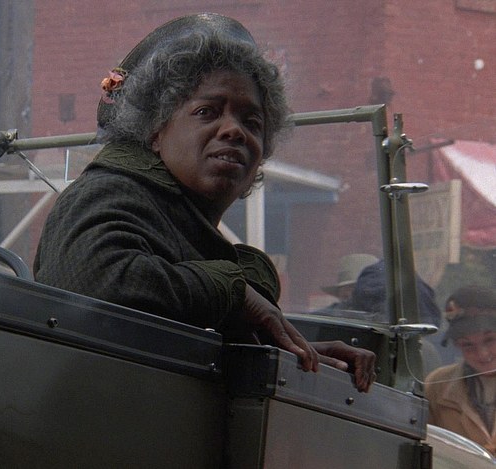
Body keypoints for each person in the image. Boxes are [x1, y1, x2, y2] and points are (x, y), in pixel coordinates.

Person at [33, 13, 375, 392]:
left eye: (252, 122)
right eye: (206, 112)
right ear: (155, 131)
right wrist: (234, 292)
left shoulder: (178, 221)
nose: (234, 130)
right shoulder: (112, 191)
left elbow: (167, 329)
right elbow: (92, 284)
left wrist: (293, 351)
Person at [425, 285, 496, 455]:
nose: (482, 354)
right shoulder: (437, 385)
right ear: (457, 345)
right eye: (467, 345)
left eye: (490, 340)